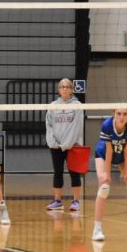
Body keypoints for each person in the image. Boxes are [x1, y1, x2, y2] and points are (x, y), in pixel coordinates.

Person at [91, 108, 127, 242]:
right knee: (104, 188)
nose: (121, 117)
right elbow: (108, 150)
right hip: (103, 154)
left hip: (122, 154)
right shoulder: (107, 125)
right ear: (113, 114)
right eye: (118, 114)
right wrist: (106, 174)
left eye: (125, 114)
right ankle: (97, 229)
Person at [45, 78, 84, 212]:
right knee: (58, 172)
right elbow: (49, 125)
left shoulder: (77, 105)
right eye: (62, 86)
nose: (65, 88)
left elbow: (77, 126)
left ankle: (76, 201)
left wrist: (68, 143)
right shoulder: (53, 105)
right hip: (56, 146)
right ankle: (57, 201)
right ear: (59, 90)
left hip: (72, 145)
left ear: (72, 89)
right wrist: (52, 142)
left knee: (74, 172)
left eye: (67, 86)